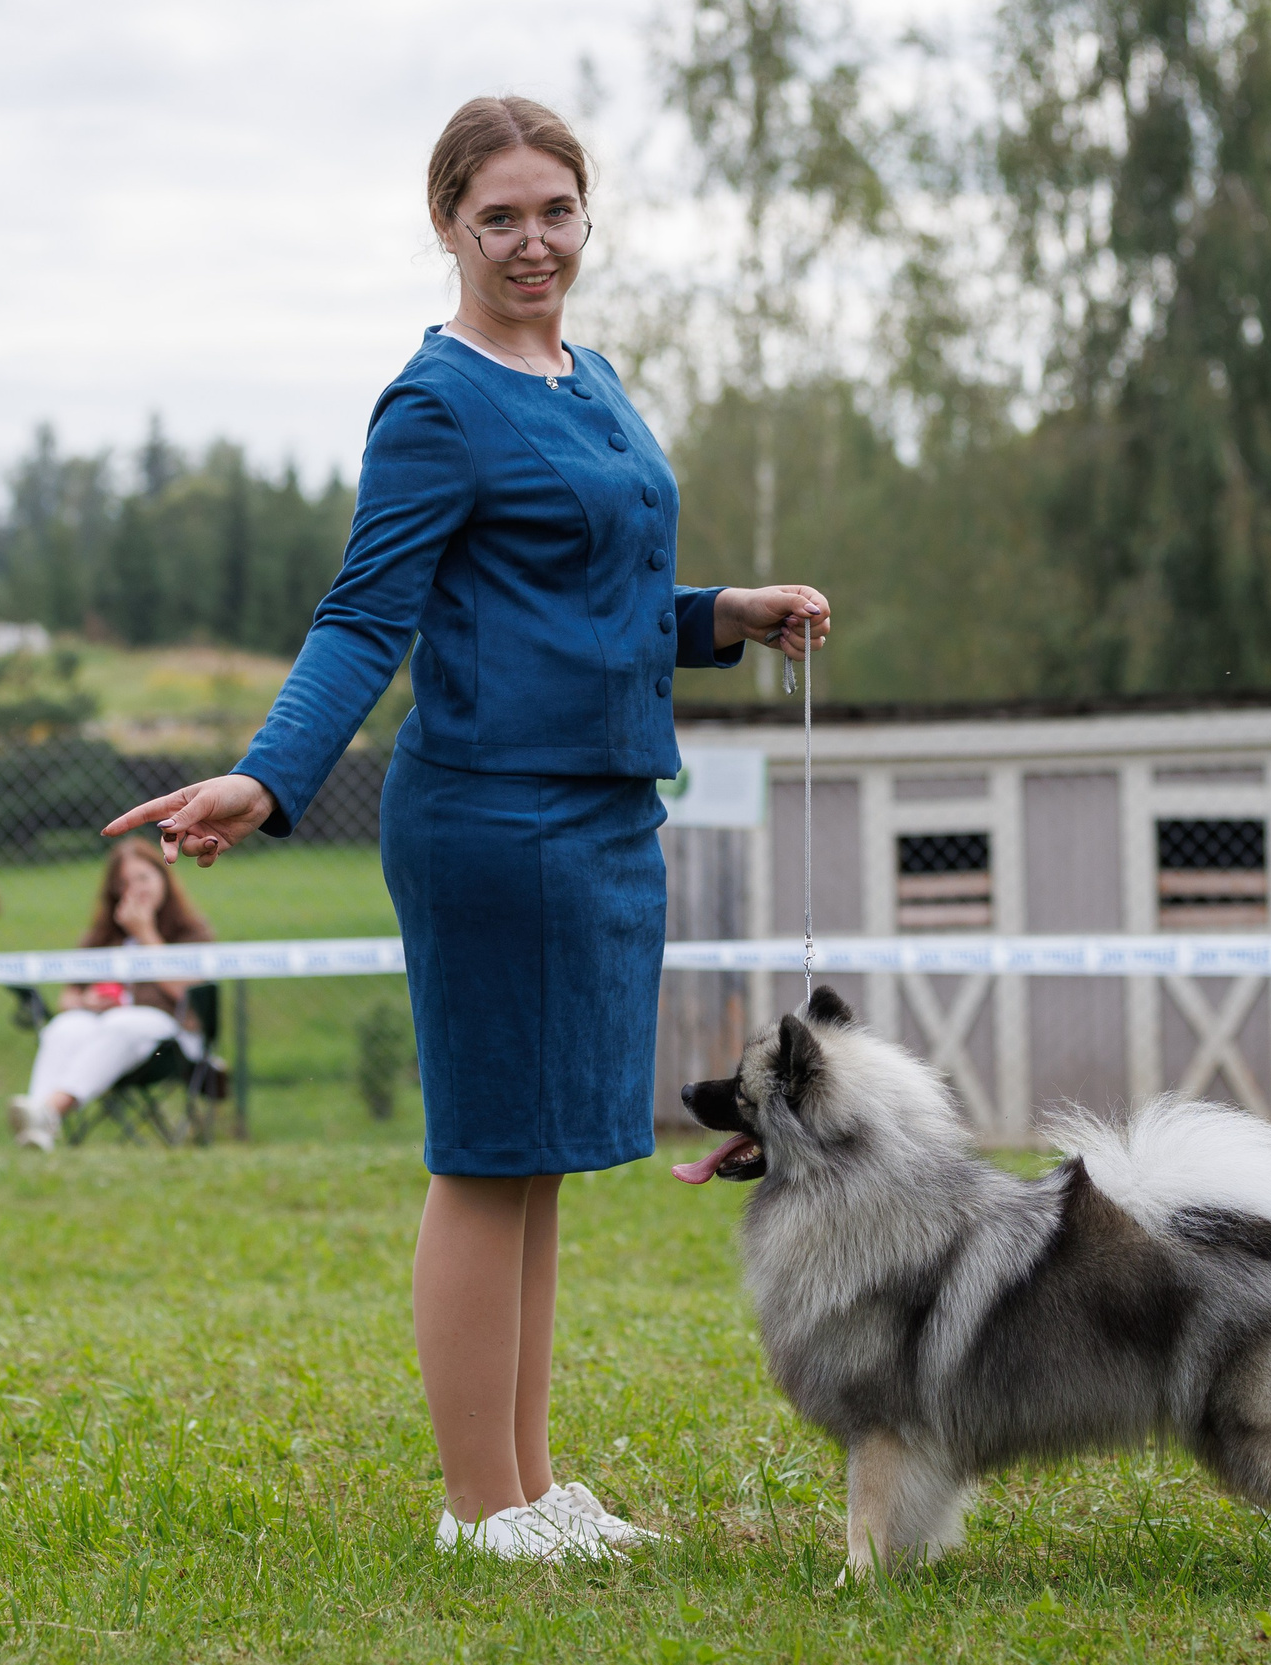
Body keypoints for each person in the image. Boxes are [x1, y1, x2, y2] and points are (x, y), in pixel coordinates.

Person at [104, 96, 832, 1561]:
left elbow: (596, 588)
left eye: (554, 211)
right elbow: (369, 612)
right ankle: (475, 1502)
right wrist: (269, 773)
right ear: (446, 222)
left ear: (585, 215)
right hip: (493, 820)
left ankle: (535, 1481)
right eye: (498, 216)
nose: (531, 242)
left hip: (611, 815)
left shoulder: (594, 380)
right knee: (486, 1151)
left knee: (546, 1154)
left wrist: (723, 616)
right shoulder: (434, 403)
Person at [8, 838, 216, 1152]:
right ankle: (37, 1128)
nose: (135, 889)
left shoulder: (191, 932)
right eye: (124, 883)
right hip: (102, 1033)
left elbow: (188, 992)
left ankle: (49, 1112)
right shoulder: (101, 937)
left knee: (125, 1022)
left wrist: (146, 934)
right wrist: (86, 1002)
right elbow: (68, 999)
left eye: (143, 877)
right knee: (65, 1027)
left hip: (168, 1043)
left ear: (164, 878)